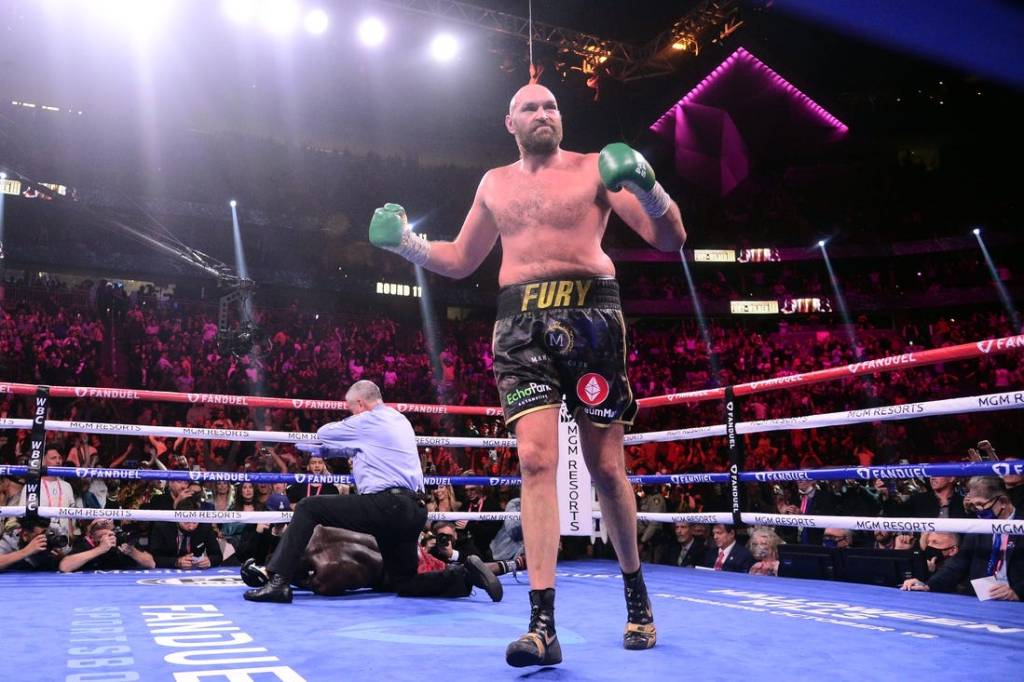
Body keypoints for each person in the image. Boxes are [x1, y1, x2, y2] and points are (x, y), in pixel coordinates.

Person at [368, 83, 685, 667]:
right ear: (509, 122)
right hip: (520, 323)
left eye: (552, 106)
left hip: (592, 316)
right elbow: (462, 260)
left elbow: (669, 238)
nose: (545, 114)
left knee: (607, 469)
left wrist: (647, 182)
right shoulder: (493, 182)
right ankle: (542, 624)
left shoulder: (595, 169)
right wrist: (406, 244)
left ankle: (636, 595)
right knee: (535, 461)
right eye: (532, 108)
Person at [242, 380, 502, 603]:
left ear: (361, 404)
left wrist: (323, 442)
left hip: (388, 506)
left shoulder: (368, 419)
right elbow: (360, 448)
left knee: (309, 507)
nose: (351, 413)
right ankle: (465, 576)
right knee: (405, 582)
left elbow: (325, 432)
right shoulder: (398, 419)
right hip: (413, 511)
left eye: (350, 409)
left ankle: (278, 580)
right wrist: (323, 451)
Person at [900, 477, 1022, 600]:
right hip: (982, 599)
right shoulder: (979, 527)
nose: (978, 511)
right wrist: (928, 585)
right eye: (973, 506)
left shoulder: (1020, 524)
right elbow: (957, 564)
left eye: (980, 504)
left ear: (1003, 502)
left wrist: (1017, 592)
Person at [58, 518, 155, 572]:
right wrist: (100, 549)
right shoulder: (85, 544)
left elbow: (151, 563)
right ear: (91, 534)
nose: (107, 535)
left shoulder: (121, 540)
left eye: (110, 530)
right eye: (101, 530)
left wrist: (132, 552)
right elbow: (64, 566)